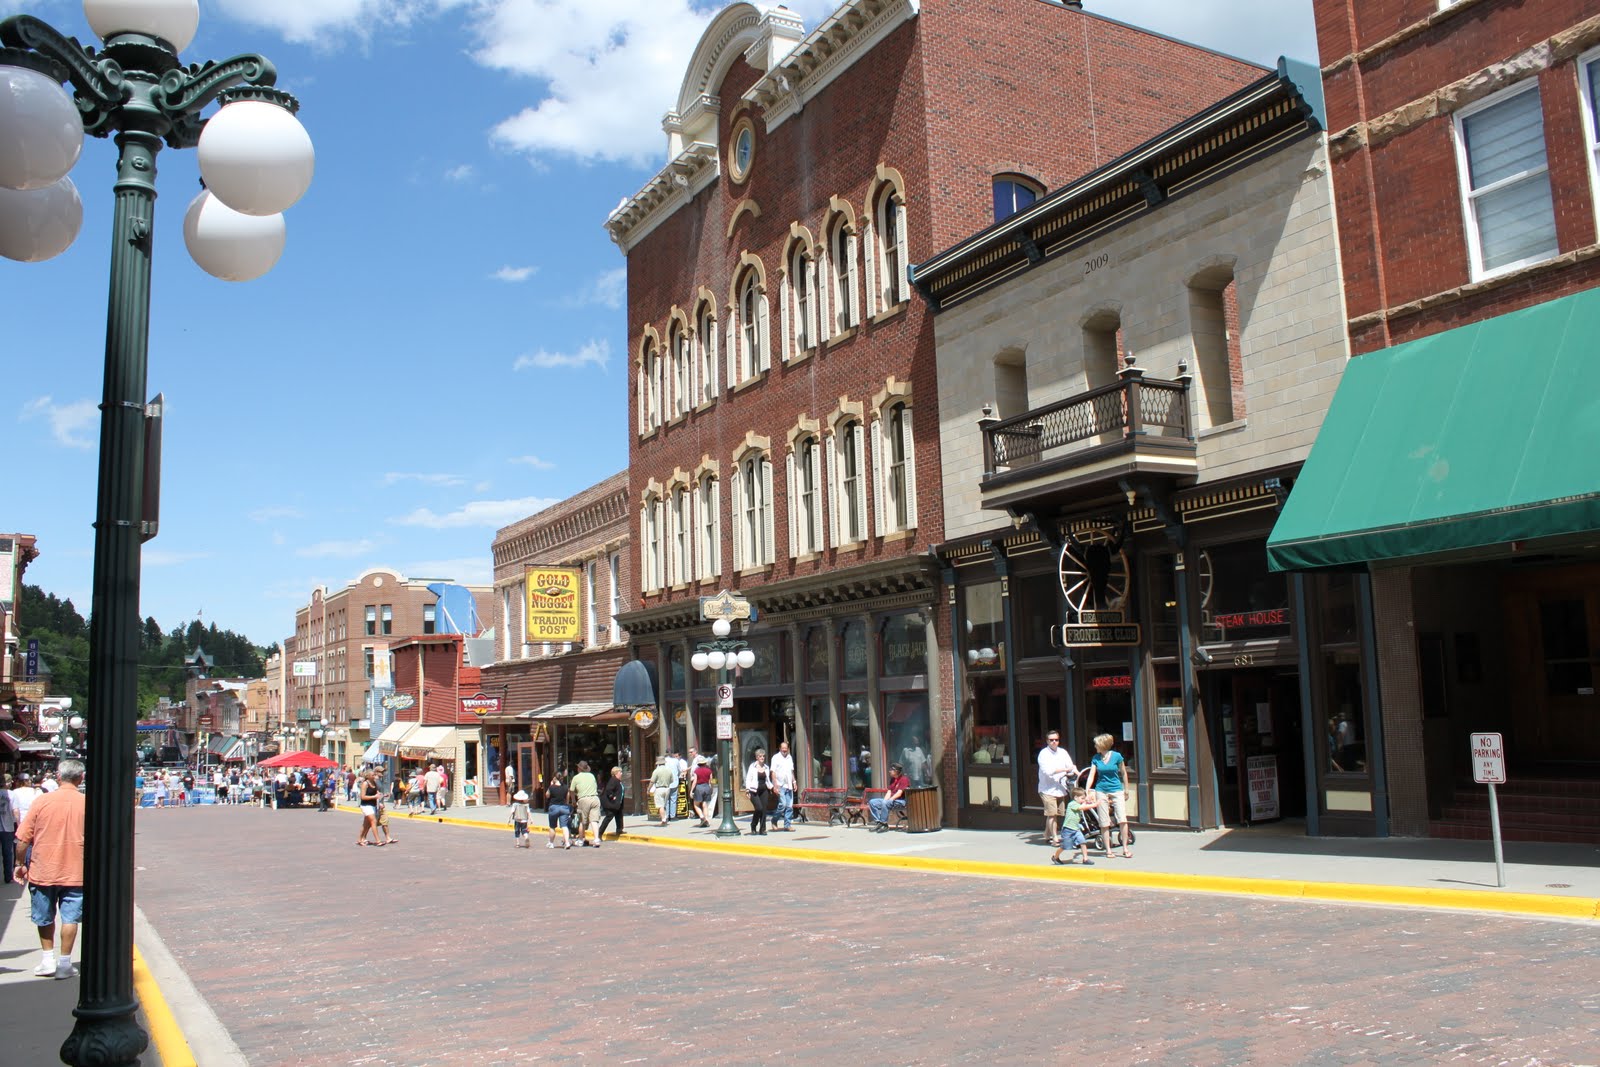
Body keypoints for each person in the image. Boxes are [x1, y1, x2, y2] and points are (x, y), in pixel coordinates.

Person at [15, 759, 86, 979]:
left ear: (58, 776)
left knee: (44, 917)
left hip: (43, 869)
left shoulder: (42, 802)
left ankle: (47, 960)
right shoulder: (87, 802)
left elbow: (23, 839)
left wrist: (19, 865)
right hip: (76, 871)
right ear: (80, 778)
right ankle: (64, 963)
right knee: (70, 919)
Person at [1086, 733, 1132, 859]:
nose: (1095, 746)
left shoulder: (1117, 756)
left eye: (1096, 744)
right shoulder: (1096, 758)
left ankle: (1125, 848)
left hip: (1116, 789)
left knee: (1122, 818)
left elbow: (1123, 772)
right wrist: (1087, 790)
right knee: (1104, 820)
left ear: (1102, 745)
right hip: (1101, 789)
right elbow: (1092, 774)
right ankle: (1108, 850)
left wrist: (1126, 789)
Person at [1036, 730, 1077, 847]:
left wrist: (1078, 773)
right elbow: (1048, 771)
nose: (1054, 742)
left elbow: (1071, 766)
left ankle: (1046, 834)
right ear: (1047, 741)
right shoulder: (1043, 754)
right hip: (1047, 789)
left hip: (1060, 788)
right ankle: (1055, 838)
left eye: (1056, 740)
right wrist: (1064, 770)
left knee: (1056, 814)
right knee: (1052, 814)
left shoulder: (1063, 752)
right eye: (1051, 740)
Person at [1049, 786, 1095, 865]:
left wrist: (1088, 801)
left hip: (1076, 829)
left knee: (1083, 842)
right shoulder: (1072, 804)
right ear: (1076, 797)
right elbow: (1082, 808)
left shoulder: (1078, 803)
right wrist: (1094, 805)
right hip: (1068, 829)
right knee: (1065, 846)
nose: (1083, 800)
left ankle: (1085, 858)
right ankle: (1055, 856)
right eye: (1082, 798)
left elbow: (1083, 804)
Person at [869, 762, 910, 832]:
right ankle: (879, 822)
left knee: (886, 803)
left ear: (896, 771)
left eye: (891, 770)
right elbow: (889, 792)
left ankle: (884, 824)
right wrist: (884, 801)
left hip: (901, 801)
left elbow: (899, 793)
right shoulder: (893, 779)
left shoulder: (904, 779)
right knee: (872, 802)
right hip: (891, 800)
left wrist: (887, 801)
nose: (889, 771)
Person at [569, 761, 600, 846]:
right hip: (595, 798)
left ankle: (580, 839)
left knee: (582, 821)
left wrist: (573, 801)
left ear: (579, 768)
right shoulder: (592, 776)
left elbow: (571, 790)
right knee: (594, 820)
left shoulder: (576, 777)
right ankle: (596, 839)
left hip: (583, 799)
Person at [769, 740, 796, 832]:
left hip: (789, 785)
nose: (784, 750)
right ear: (780, 748)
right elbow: (773, 772)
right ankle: (774, 820)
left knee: (789, 806)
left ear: (788, 749)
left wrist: (794, 782)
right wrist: (775, 785)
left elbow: (791, 771)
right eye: (783, 748)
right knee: (783, 804)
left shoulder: (789, 757)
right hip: (780, 785)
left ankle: (787, 825)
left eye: (786, 748)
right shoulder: (775, 758)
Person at [744, 749, 772, 835]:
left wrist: (771, 787)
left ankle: (762, 829)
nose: (762, 758)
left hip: (764, 789)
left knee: (764, 810)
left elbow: (768, 780)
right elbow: (748, 778)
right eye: (760, 756)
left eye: (763, 756)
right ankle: (753, 825)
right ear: (756, 757)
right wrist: (747, 789)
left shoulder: (766, 767)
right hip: (754, 790)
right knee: (758, 808)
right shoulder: (752, 767)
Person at [596, 767, 625, 846]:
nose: (621, 773)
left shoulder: (618, 781)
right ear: (616, 773)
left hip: (616, 803)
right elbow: (609, 789)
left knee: (619, 814)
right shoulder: (613, 780)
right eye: (620, 772)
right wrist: (612, 796)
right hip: (610, 803)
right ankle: (599, 833)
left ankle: (619, 829)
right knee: (609, 816)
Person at [545, 770, 573, 849]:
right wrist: (566, 805)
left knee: (552, 826)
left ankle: (551, 843)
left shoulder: (552, 787)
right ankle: (567, 842)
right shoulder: (565, 787)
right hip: (564, 807)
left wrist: (551, 785)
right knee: (564, 826)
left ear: (554, 778)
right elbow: (567, 798)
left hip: (554, 807)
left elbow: (547, 795)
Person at [356, 769, 383, 846]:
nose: (374, 776)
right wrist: (374, 796)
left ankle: (360, 839)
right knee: (373, 821)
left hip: (372, 804)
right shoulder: (365, 783)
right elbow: (362, 797)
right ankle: (378, 840)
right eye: (373, 775)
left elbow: (376, 792)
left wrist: (380, 796)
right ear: (368, 776)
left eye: (374, 774)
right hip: (366, 805)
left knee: (366, 824)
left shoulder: (374, 782)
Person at [648, 757, 676, 827]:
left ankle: (663, 820)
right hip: (667, 788)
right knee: (664, 805)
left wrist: (648, 789)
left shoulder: (656, 771)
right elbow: (672, 780)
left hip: (659, 789)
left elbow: (652, 781)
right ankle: (665, 817)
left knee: (660, 806)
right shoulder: (669, 770)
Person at [0, 775, 17, 883]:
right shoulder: (12, 794)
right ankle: (8, 876)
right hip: (8, 828)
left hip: (6, 828)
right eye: (10, 781)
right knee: (7, 853)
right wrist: (18, 824)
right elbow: (15, 810)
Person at [690, 754, 714, 827]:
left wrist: (691, 790)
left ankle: (702, 817)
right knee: (705, 804)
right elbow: (711, 781)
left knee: (696, 804)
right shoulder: (709, 770)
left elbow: (695, 781)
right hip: (707, 787)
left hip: (699, 787)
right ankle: (707, 820)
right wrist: (711, 788)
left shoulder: (696, 771)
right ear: (705, 763)